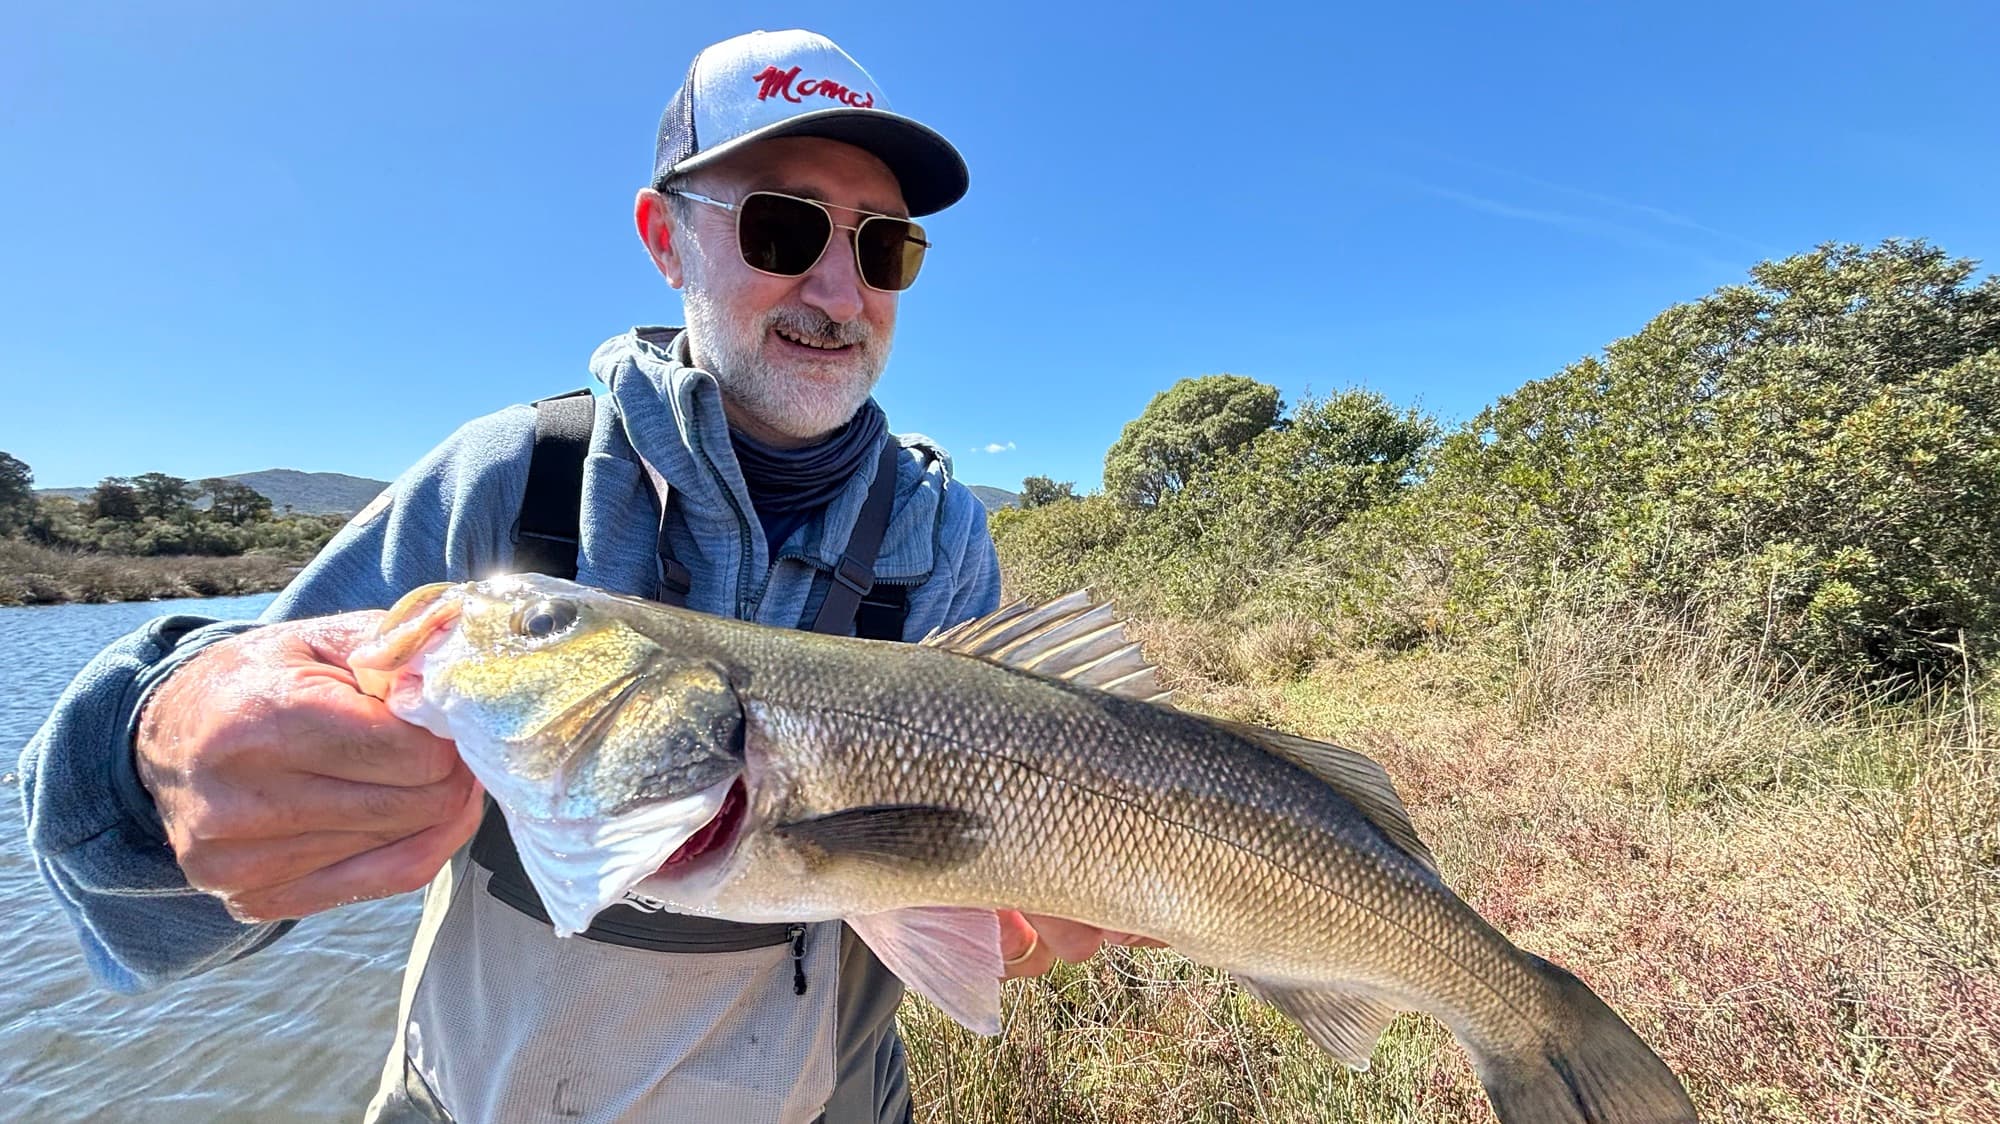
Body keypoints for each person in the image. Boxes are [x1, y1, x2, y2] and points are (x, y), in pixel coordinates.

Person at [19, 29, 1144, 1123]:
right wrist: (153, 760)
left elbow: (962, 915)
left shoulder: (943, 534)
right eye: (784, 226)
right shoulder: (511, 479)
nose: (840, 293)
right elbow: (166, 896)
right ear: (666, 238)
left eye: (883, 246)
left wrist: (1010, 922)